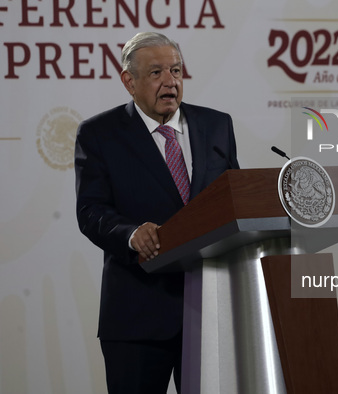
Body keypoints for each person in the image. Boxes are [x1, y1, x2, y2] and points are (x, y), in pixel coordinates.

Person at [74, 32, 239, 394]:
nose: (170, 81)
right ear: (128, 81)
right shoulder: (100, 134)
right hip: (138, 315)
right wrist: (131, 235)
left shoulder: (217, 126)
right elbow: (90, 211)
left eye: (176, 70)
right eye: (156, 73)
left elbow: (235, 201)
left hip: (210, 313)